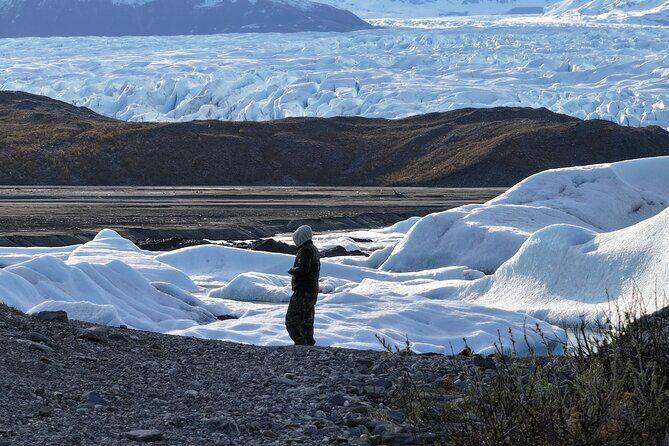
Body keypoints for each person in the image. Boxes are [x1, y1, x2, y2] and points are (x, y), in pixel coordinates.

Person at [285, 225, 320, 346]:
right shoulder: (313, 248)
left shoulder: (305, 250)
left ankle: (301, 343)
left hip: (303, 290)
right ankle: (308, 343)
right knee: (307, 320)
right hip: (312, 289)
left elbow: (304, 269)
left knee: (292, 320)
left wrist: (292, 271)